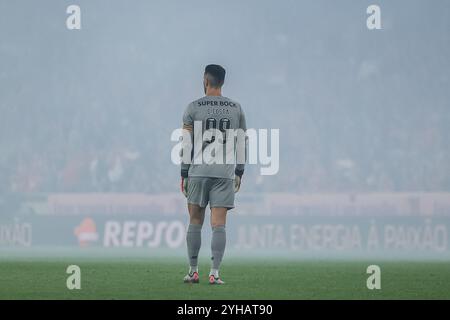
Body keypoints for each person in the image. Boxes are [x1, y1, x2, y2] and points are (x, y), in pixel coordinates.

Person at [180, 64, 247, 285]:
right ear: (223, 82)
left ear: (205, 80)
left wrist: (184, 172)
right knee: (219, 224)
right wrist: (239, 171)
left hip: (198, 172)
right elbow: (241, 142)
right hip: (223, 174)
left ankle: (193, 271)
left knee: (195, 221)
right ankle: (214, 274)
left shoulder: (193, 107)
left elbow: (186, 143)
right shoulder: (236, 108)